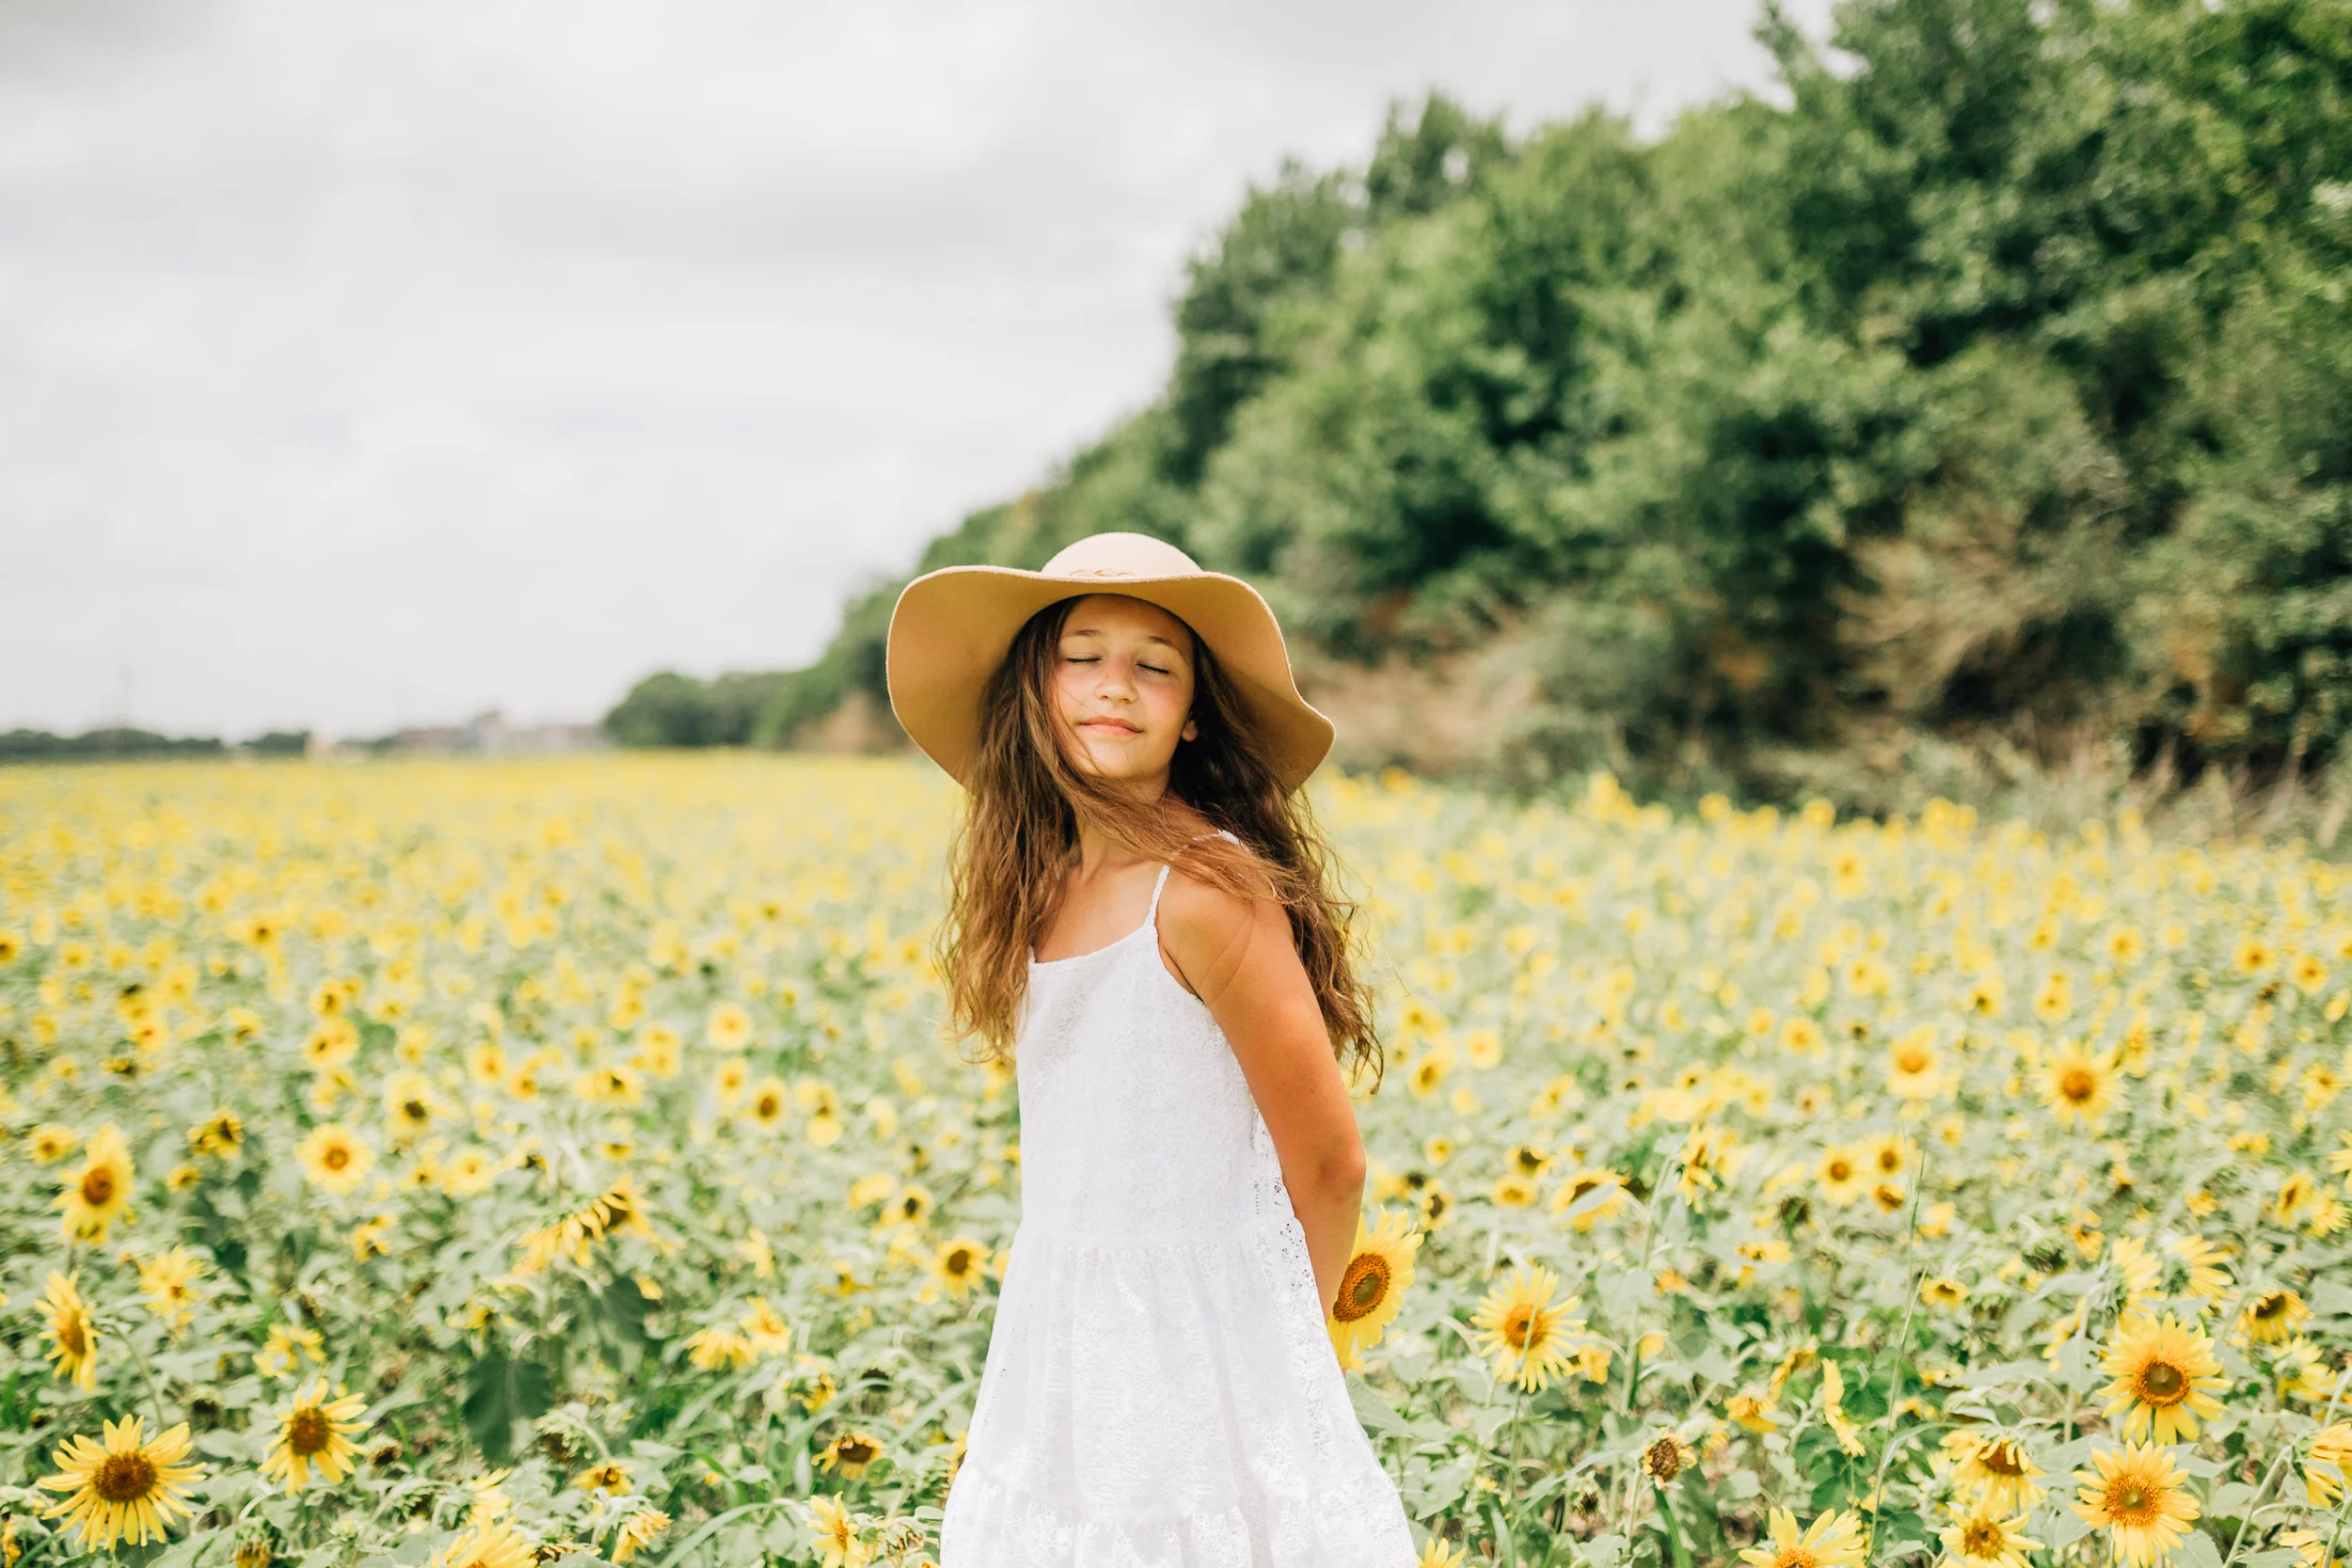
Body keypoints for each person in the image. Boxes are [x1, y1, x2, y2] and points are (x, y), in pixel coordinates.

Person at [884, 531, 1421, 1567]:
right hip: (1066, 1333)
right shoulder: (1041, 888)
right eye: (1080, 655)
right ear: (1033, 690)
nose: (1112, 687)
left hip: (1211, 1347)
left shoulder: (1208, 891)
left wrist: (1284, 1367)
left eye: (1154, 665)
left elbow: (1329, 1160)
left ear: (1191, 718)